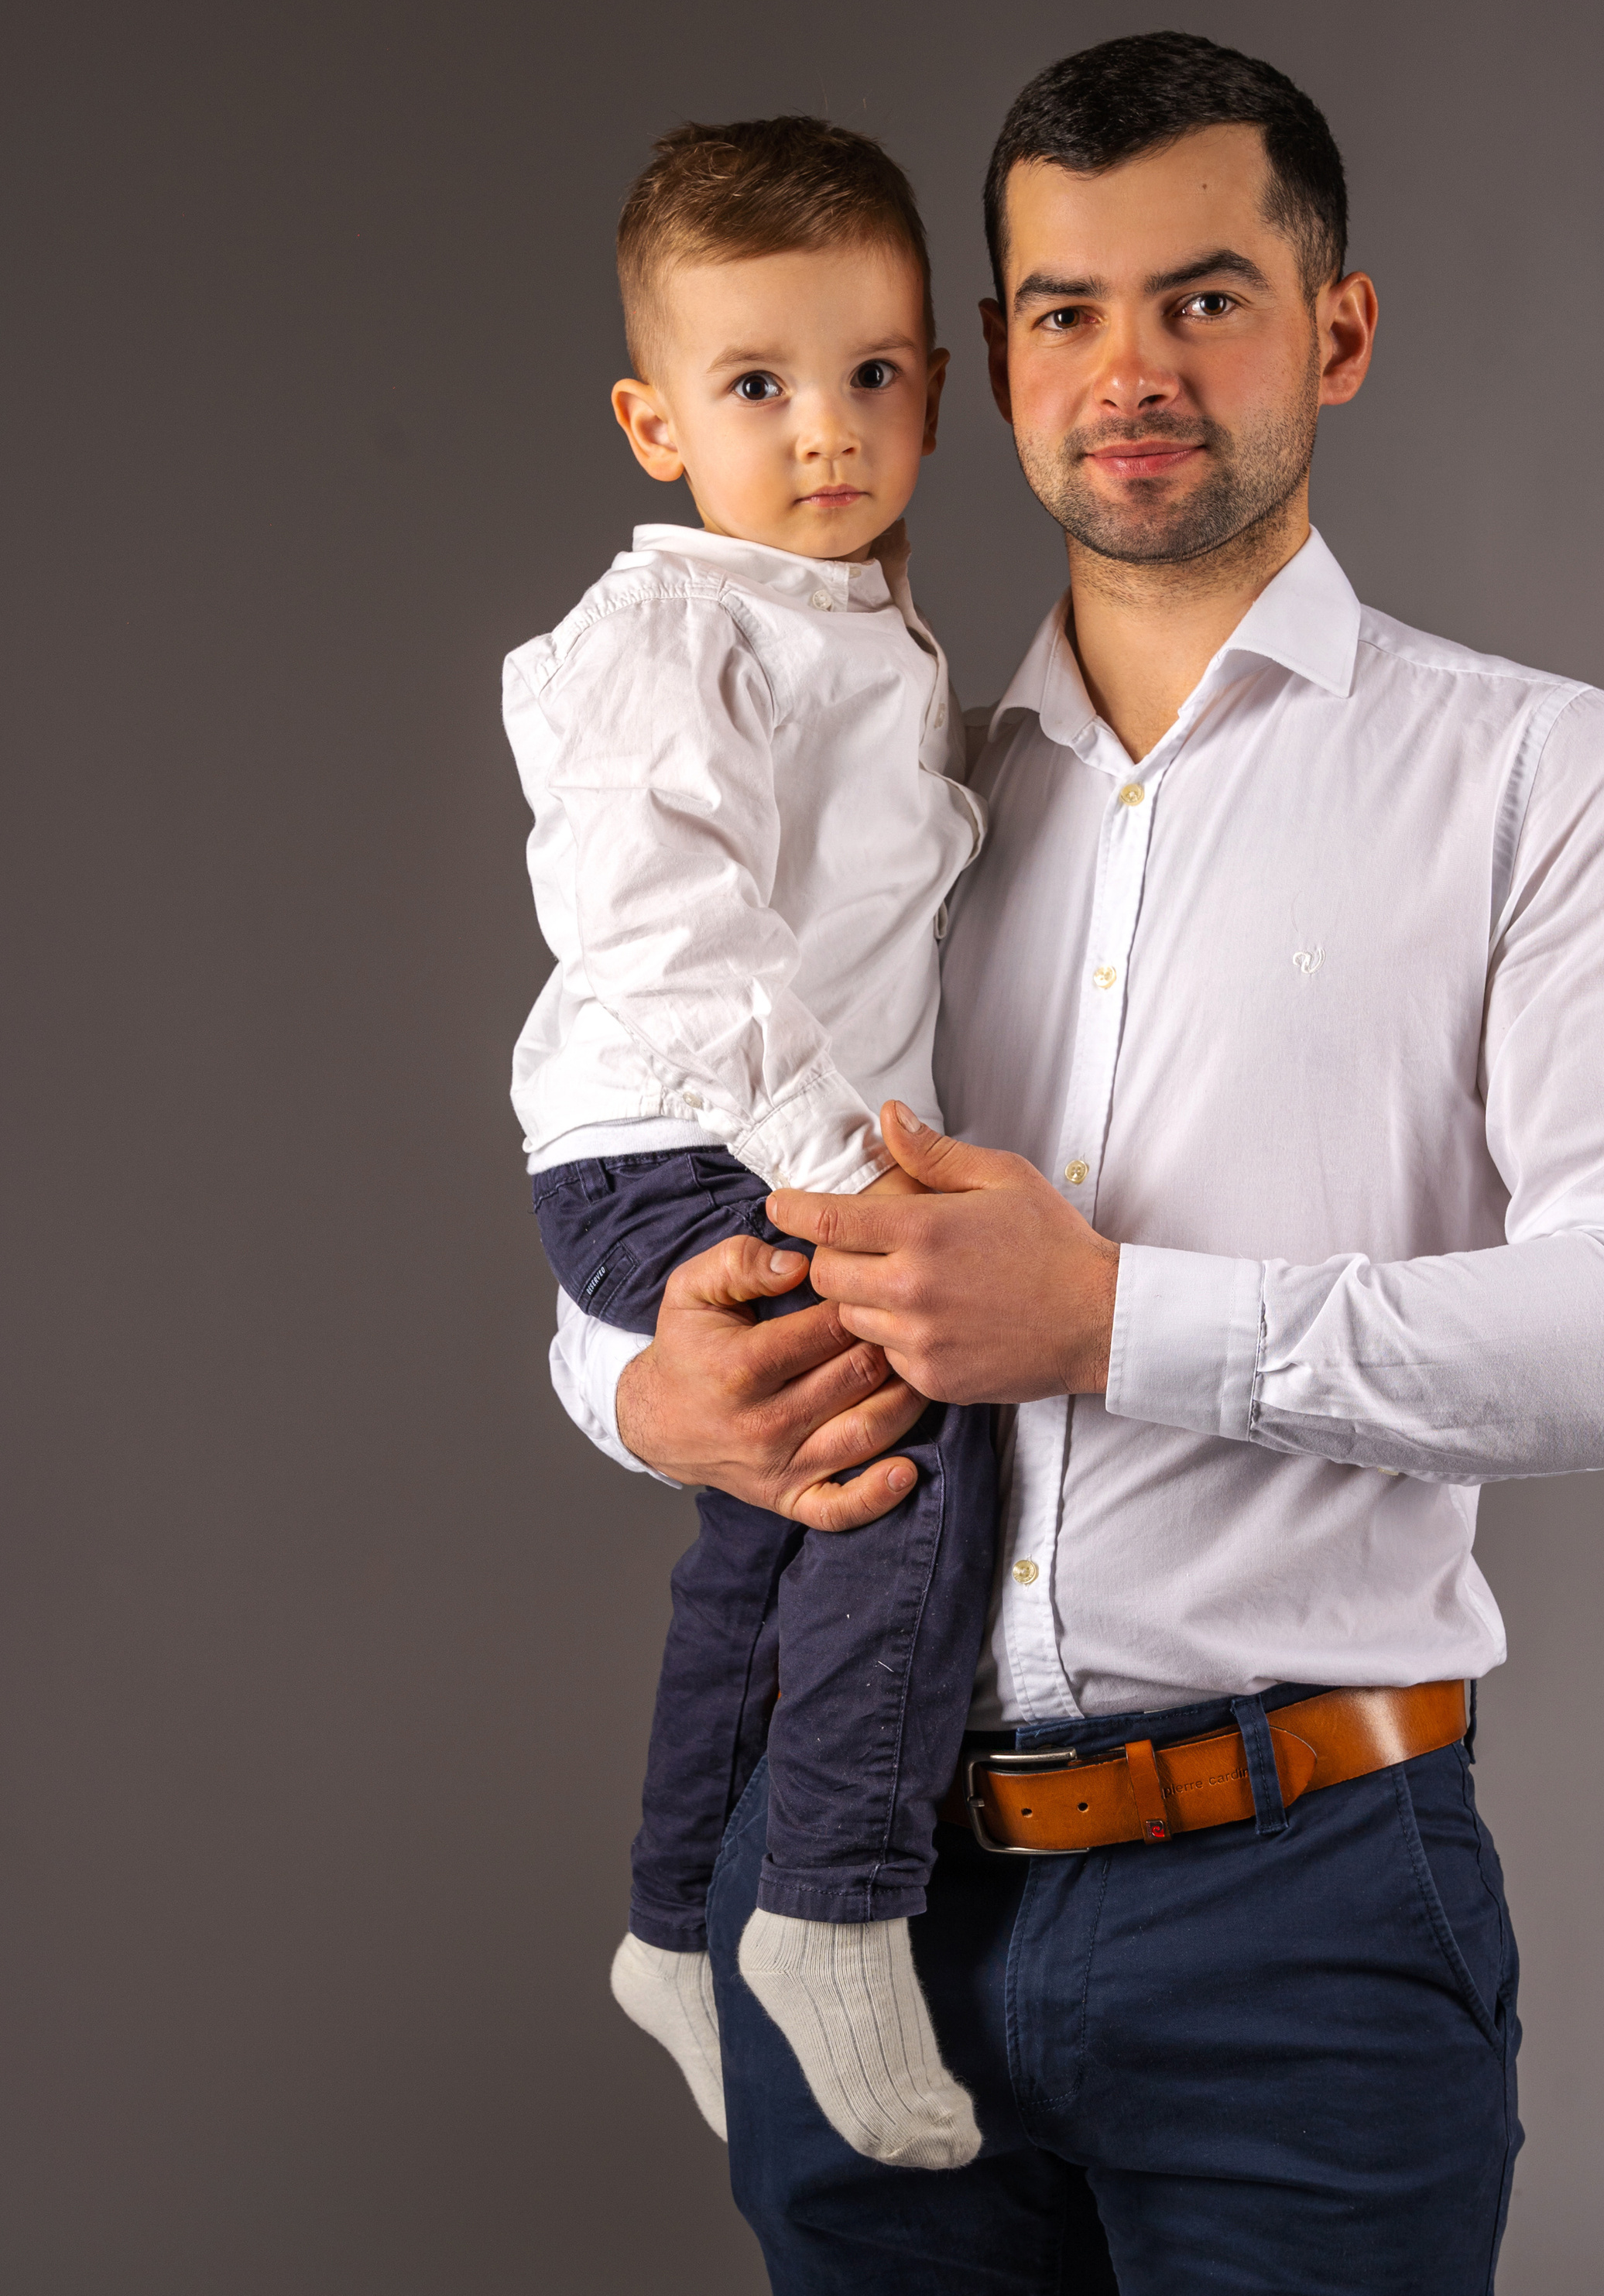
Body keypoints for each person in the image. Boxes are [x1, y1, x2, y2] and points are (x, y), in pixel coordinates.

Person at [553, 34, 1604, 2294]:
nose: (1128, 369)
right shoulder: (873, 779)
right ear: (991, 360)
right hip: (843, 1883)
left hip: (1296, 1906)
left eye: (1203, 299)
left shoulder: (1536, 782)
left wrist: (1117, 1321)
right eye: (1062, 309)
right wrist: (631, 1388)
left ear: (1339, 329)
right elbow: (666, 1150)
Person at [506, 115, 1001, 2173]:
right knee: (905, 1432)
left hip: (722, 1132)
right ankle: (830, 1904)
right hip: (687, 1133)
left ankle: (670, 1930)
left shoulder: (861, 636)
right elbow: (653, 919)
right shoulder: (676, 633)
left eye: (872, 375)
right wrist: (841, 1165)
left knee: (772, 1522)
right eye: (758, 387)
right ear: (651, 421)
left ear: (938, 393)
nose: (826, 433)